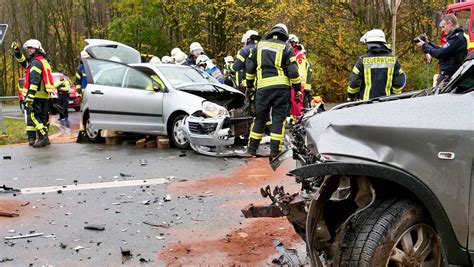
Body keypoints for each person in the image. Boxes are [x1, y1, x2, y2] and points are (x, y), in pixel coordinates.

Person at [246, 23, 301, 160]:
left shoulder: (259, 46)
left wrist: (249, 86)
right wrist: (297, 90)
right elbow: (293, 72)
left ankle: (252, 149)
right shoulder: (287, 48)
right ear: (285, 35)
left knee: (260, 118)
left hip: (262, 90)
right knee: (278, 119)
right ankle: (275, 152)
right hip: (281, 90)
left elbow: (250, 69)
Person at [12, 39, 54, 147]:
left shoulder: (35, 62)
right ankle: (37, 138)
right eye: (28, 49)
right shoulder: (41, 60)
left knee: (34, 116)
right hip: (44, 96)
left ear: (37, 49)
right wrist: (17, 51)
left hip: (36, 95)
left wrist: (30, 96)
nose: (29, 51)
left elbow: (34, 80)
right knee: (43, 118)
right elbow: (23, 61)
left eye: (31, 48)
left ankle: (44, 137)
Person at [347, 29, 406, 101]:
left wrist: (351, 97)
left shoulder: (362, 60)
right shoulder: (393, 60)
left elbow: (354, 82)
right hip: (387, 103)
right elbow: (398, 83)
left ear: (369, 44)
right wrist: (395, 97)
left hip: (366, 104)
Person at [416, 14, 468, 85]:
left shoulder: (457, 38)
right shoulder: (455, 37)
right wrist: (428, 43)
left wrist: (424, 45)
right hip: (449, 76)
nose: (442, 30)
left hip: (449, 77)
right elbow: (441, 50)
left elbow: (439, 53)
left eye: (443, 27)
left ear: (450, 23)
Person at [288, 34, 313, 108]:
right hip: (295, 86)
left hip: (298, 86)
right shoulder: (293, 54)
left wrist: (298, 87)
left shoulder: (299, 56)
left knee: (297, 108)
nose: (288, 44)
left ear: (295, 43)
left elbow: (300, 73)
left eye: (290, 42)